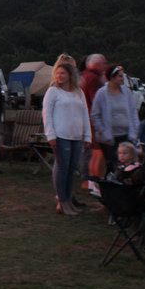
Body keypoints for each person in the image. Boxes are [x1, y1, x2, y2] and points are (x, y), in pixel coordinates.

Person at [42, 61, 91, 216]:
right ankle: (62, 201)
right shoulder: (53, 91)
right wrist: (50, 134)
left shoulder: (78, 92)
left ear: (70, 75)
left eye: (63, 73)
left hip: (76, 135)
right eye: (58, 73)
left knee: (71, 169)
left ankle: (68, 199)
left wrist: (87, 135)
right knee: (62, 168)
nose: (60, 76)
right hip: (61, 135)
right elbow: (47, 114)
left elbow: (85, 114)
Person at [90, 64, 141, 173]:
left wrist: (135, 129)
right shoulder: (101, 93)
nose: (122, 79)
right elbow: (95, 114)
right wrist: (102, 131)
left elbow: (133, 112)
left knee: (127, 163)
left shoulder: (126, 92)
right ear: (112, 77)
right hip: (110, 138)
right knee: (113, 164)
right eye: (120, 76)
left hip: (126, 135)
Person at [79, 54, 107, 193]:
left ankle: (88, 181)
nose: (105, 67)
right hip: (93, 121)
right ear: (96, 65)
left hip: (84, 120)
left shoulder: (83, 77)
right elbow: (97, 102)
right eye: (103, 63)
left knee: (89, 152)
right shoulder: (94, 79)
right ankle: (94, 182)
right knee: (97, 154)